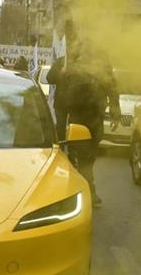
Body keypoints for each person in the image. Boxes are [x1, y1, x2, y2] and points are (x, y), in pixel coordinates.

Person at [48, 47, 120, 207]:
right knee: (81, 155)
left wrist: (115, 112)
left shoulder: (102, 62)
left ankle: (81, 188)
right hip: (77, 114)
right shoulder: (68, 60)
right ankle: (85, 191)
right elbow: (52, 78)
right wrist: (61, 72)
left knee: (89, 155)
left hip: (96, 114)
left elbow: (112, 86)